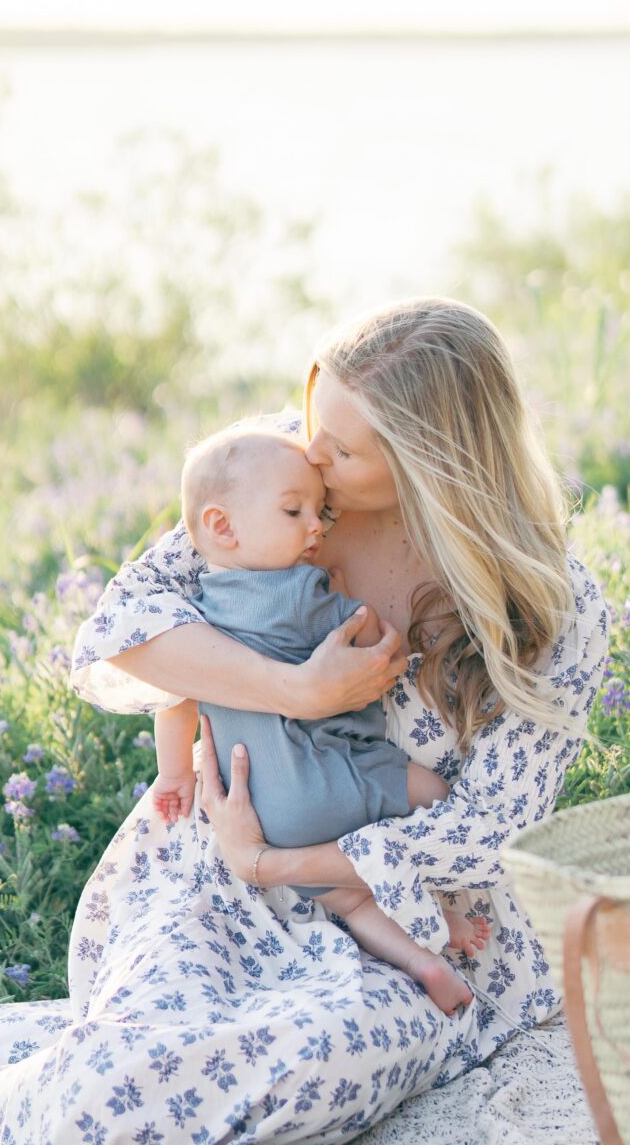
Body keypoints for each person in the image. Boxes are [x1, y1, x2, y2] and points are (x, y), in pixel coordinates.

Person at [0, 296, 611, 1145]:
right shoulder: (278, 480)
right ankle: (39, 1101)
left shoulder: (550, 604)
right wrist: (301, 694)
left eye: (345, 453)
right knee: (117, 1069)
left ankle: (119, 1098)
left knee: (313, 1068)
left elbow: (491, 833)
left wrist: (276, 863)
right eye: (316, 428)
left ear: (435, 465)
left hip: (406, 916)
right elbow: (127, 630)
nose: (315, 459)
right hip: (211, 877)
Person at [153, 417, 480, 1013]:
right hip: (332, 777)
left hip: (269, 815)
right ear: (222, 527)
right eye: (293, 512)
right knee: (432, 794)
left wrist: (175, 775)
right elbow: (374, 641)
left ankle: (423, 962)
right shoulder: (300, 593)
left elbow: (175, 701)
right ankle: (449, 912)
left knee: (354, 904)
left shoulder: (191, 616)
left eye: (317, 511)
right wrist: (351, 600)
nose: (314, 526)